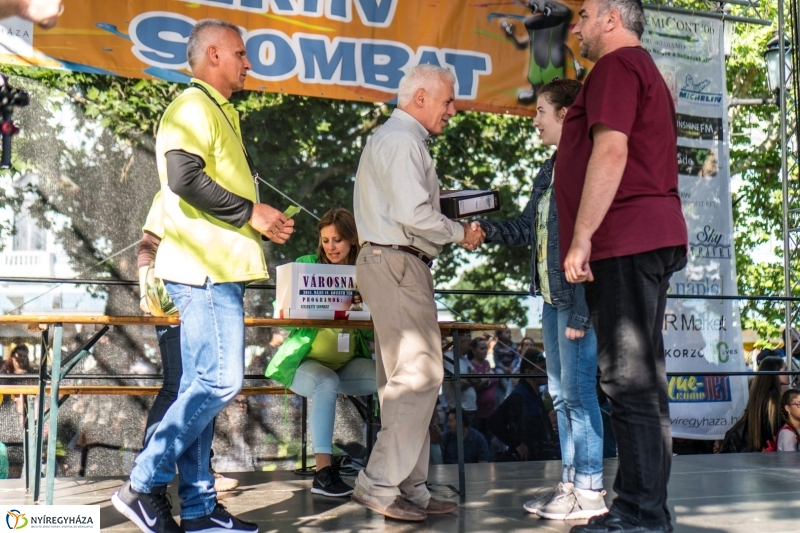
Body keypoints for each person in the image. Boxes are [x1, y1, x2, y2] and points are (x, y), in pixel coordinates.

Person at [112, 19, 294, 533]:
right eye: (240, 52)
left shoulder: (216, 112)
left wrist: (258, 217)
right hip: (204, 271)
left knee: (200, 389)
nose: (248, 62)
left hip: (216, 271)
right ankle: (142, 484)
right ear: (213, 54)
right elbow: (183, 179)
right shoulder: (192, 106)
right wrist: (251, 213)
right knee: (219, 382)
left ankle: (197, 507)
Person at [555, 0, 689, 530]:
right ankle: (646, 508)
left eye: (585, 13)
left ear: (611, 19)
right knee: (642, 383)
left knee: (627, 382)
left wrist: (582, 236)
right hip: (645, 236)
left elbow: (611, 151)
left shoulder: (614, 66)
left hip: (625, 239)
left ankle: (638, 514)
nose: (577, 25)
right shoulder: (641, 68)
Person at [351, 63, 483, 521]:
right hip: (399, 262)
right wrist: (459, 230)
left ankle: (411, 488)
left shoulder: (393, 139)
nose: (453, 109)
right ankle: (381, 484)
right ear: (420, 98)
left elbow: (407, 210)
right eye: (448, 100)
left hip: (390, 262)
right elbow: (414, 213)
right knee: (421, 374)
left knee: (401, 382)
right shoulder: (404, 140)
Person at [475, 78, 605, 521]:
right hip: (552, 299)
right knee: (559, 393)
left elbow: (596, 240)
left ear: (566, 115)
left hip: (576, 296)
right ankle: (571, 484)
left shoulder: (588, 163)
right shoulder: (549, 169)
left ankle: (589, 489)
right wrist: (481, 231)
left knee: (578, 392)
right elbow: (529, 229)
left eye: (541, 112)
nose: (535, 121)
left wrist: (584, 309)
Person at [265, 208, 377, 498]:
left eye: (337, 240)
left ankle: (389, 463)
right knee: (325, 381)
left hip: (347, 365)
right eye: (326, 240)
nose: (331, 247)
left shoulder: (364, 274)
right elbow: (286, 315)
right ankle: (323, 473)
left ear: (352, 241)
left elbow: (367, 332)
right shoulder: (307, 265)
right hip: (305, 366)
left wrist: (363, 310)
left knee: (391, 376)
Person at [136, 193, 238, 493]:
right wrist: (145, 294)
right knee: (178, 384)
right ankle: (149, 469)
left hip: (207, 298)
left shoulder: (219, 198)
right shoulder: (171, 190)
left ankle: (196, 471)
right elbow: (147, 247)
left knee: (203, 386)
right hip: (172, 303)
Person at [490, 350, 561, 462]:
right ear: (528, 371)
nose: (546, 371)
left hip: (538, 459)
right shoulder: (519, 396)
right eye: (542, 367)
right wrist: (517, 444)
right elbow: (494, 422)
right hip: (525, 462)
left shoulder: (534, 394)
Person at [468, 336, 498, 443]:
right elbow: (475, 387)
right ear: (474, 350)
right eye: (481, 348)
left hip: (491, 409)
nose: (485, 351)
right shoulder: (470, 365)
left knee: (489, 439)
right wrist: (485, 379)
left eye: (486, 348)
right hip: (479, 410)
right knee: (479, 438)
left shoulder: (486, 363)